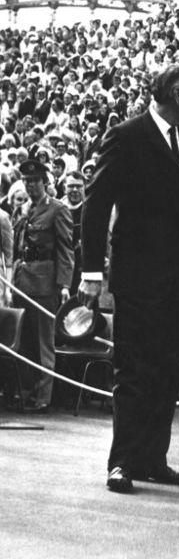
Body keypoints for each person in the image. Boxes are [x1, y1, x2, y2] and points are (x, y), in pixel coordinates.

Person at [79, 64, 179, 494]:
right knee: (133, 369)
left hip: (178, 278)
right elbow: (96, 205)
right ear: (172, 93)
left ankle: (154, 458)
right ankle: (123, 461)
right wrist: (92, 269)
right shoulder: (127, 135)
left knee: (169, 369)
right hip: (138, 275)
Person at [10, 158, 73, 411]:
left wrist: (64, 285)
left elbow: (66, 250)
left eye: (35, 181)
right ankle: (24, 391)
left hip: (45, 284)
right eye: (26, 181)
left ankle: (44, 396)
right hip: (22, 281)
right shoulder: (23, 210)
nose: (31, 186)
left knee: (44, 341)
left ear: (44, 182)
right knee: (23, 340)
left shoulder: (57, 210)